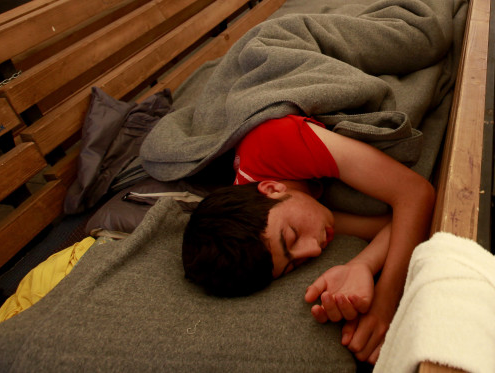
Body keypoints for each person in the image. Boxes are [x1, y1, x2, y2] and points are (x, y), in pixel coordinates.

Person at [182, 114, 435, 364]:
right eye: (293, 264)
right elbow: (398, 223)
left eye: (292, 236)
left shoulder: (276, 143)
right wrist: (362, 265)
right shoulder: (281, 214)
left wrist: (385, 302)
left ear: (271, 189)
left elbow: (415, 193)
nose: (313, 250)